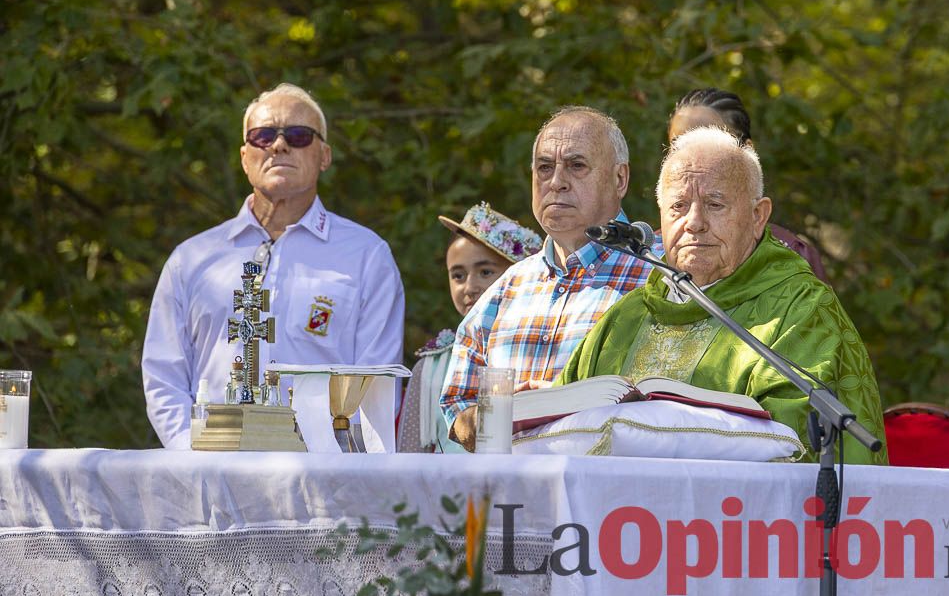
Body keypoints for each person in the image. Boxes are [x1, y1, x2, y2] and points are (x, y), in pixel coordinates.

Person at [557, 127, 888, 465]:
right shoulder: (625, 319)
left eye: (715, 204)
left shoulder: (801, 310)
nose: (694, 223)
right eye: (678, 206)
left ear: (758, 216)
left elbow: (797, 445)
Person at [142, 83, 406, 450]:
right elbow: (163, 376)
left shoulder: (366, 257)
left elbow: (376, 384)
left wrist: (340, 470)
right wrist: (192, 457)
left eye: (299, 135)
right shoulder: (192, 259)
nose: (279, 145)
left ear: (325, 156)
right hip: (212, 474)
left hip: (323, 481)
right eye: (263, 136)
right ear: (244, 156)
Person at [439, 106, 655, 450]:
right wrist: (501, 412)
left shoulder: (662, 278)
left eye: (576, 165)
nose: (556, 182)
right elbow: (457, 407)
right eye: (544, 168)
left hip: (616, 494)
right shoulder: (504, 290)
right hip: (511, 496)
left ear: (620, 179)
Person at [397, 203, 542, 453]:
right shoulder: (433, 367)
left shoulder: (541, 352)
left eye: (485, 272)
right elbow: (409, 456)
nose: (469, 287)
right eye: (458, 276)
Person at [669, 87, 830, 283]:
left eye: (710, 143)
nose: (693, 158)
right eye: (679, 146)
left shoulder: (792, 256)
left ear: (747, 150)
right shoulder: (650, 251)